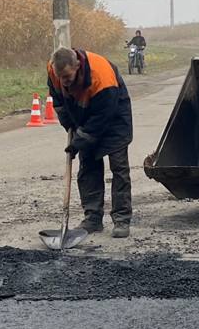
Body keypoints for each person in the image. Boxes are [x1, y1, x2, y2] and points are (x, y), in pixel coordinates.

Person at [47, 45, 134, 238]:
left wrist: (80, 140)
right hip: (84, 114)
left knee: (119, 167)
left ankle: (121, 218)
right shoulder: (54, 71)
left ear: (77, 66)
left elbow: (103, 117)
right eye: (60, 77)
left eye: (67, 77)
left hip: (114, 115)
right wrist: (69, 123)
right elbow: (58, 101)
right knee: (88, 167)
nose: (64, 81)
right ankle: (93, 218)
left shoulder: (101, 77)